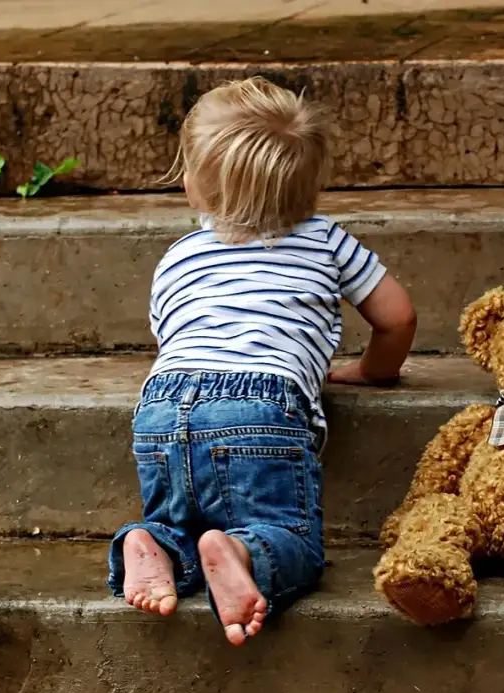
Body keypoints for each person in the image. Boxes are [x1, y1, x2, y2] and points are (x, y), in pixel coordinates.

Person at [106, 76, 417, 646]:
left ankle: (152, 543)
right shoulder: (325, 239)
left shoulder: (179, 256)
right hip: (261, 406)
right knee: (290, 536)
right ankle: (244, 552)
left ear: (195, 186)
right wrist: (374, 370)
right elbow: (397, 317)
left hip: (162, 404)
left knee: (178, 518)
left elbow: (171, 335)